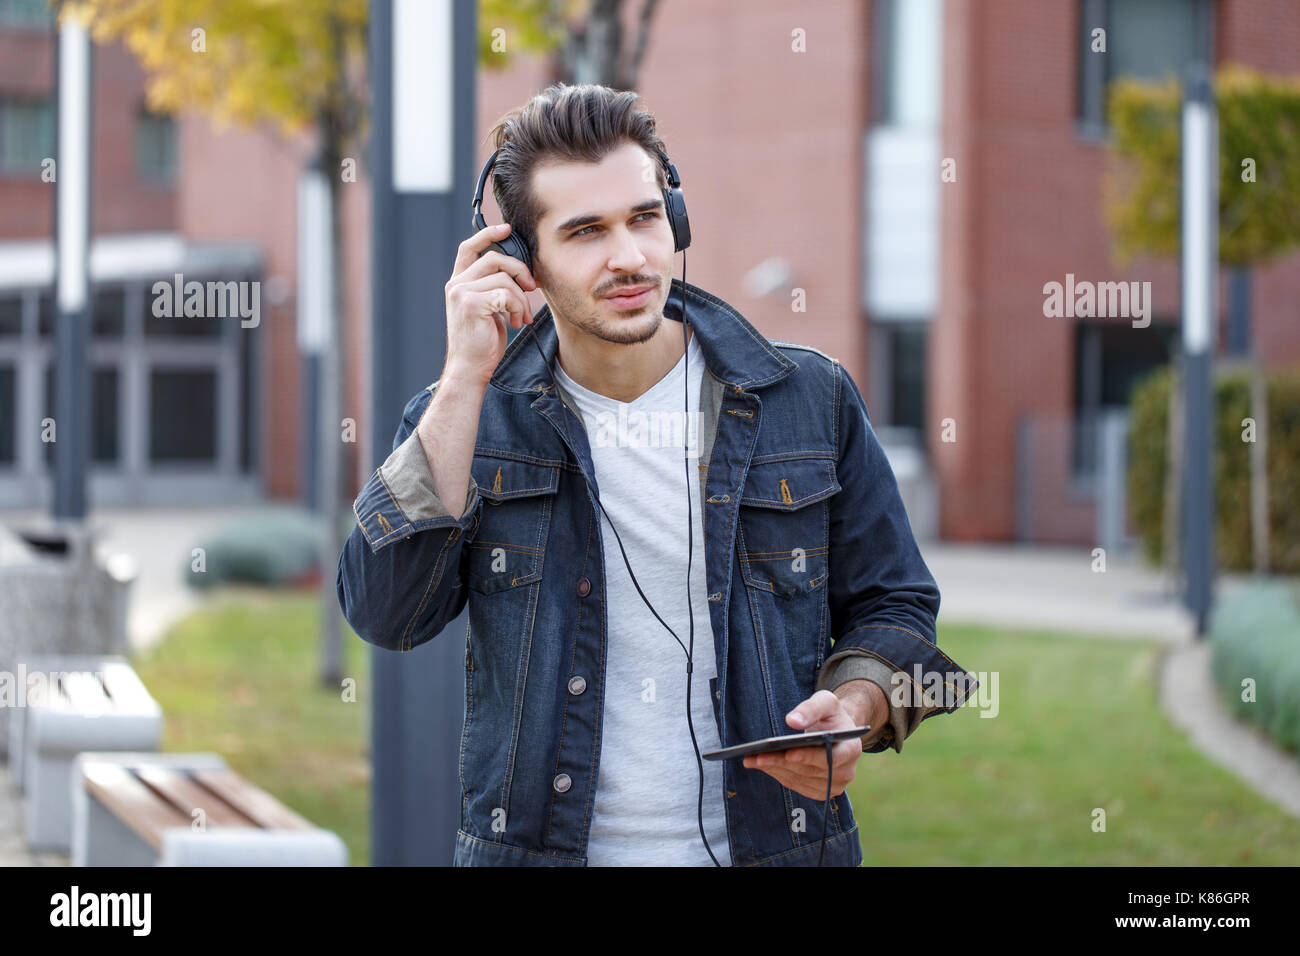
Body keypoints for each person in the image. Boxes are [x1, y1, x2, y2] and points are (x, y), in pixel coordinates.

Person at [336, 82, 976, 867]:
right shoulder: (469, 418)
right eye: (584, 232)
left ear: (674, 219)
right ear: (519, 261)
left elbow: (898, 604)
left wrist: (856, 706)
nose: (630, 257)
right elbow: (386, 613)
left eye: (643, 218)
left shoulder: (808, 401)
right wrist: (466, 376)